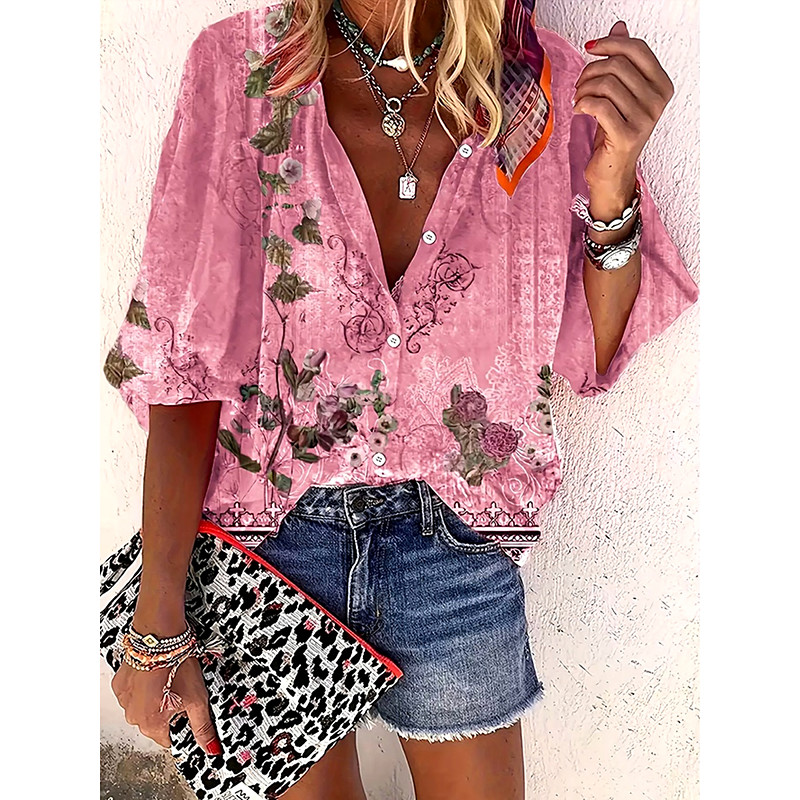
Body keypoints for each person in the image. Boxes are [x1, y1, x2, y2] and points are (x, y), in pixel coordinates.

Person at [104, 1, 699, 798]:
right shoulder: (240, 71)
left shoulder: (544, 91)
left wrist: (613, 172)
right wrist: (156, 620)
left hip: (453, 549)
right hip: (269, 550)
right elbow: (185, 364)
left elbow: (592, 349)